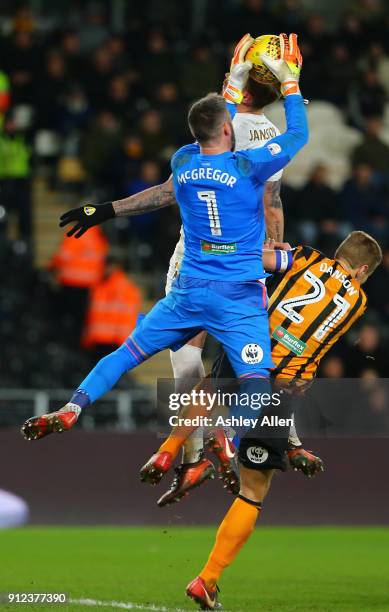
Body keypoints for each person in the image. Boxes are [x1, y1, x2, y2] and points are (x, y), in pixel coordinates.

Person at [21, 34, 308, 449]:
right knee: (255, 383)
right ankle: (225, 437)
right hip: (237, 291)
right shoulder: (251, 167)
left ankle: (75, 406)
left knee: (127, 355)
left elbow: (190, 158)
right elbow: (296, 138)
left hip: (189, 289)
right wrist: (290, 85)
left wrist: (103, 210)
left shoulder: (184, 162)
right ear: (230, 130)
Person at [140, 230, 382, 609]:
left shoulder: (304, 256)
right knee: (252, 491)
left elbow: (257, 264)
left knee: (208, 390)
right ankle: (208, 579)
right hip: (285, 381)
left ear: (339, 252)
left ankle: (169, 450)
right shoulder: (359, 301)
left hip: (249, 345)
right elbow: (319, 333)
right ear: (364, 269)